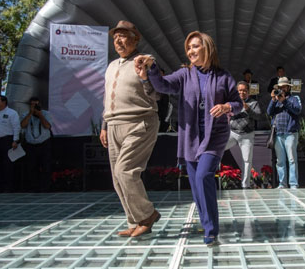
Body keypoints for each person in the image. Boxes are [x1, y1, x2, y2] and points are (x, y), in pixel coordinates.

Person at [136, 31, 242, 246]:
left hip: (215, 135)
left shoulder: (223, 76)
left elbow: (238, 102)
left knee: (203, 176)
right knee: (195, 185)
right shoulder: (185, 75)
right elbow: (163, 85)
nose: (190, 51)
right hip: (191, 137)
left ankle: (211, 230)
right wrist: (151, 68)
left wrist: (226, 106)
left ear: (207, 48)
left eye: (195, 46)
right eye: (189, 48)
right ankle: (206, 223)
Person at [100, 20, 161, 238]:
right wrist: (104, 126)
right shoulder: (111, 66)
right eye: (115, 36)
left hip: (139, 122)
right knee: (117, 179)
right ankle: (135, 221)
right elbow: (107, 98)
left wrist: (148, 71)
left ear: (135, 39)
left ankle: (147, 214)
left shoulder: (144, 61)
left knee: (125, 171)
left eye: (123, 35)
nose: (118, 39)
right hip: (113, 124)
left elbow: (157, 94)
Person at [224, 81, 262, 189]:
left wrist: (248, 109)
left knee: (247, 160)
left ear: (248, 92)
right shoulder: (232, 102)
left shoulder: (253, 103)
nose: (242, 92)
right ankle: (212, 179)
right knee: (217, 150)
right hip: (232, 133)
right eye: (240, 90)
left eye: (244, 90)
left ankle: (245, 185)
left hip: (247, 135)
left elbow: (259, 116)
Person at [267, 76, 302, 189]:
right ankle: (282, 183)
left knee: (292, 159)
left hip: (290, 132)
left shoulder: (294, 98)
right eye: (280, 87)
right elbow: (269, 112)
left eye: (284, 87)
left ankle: (293, 183)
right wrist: (273, 100)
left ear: (288, 87)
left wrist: (284, 101)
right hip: (278, 133)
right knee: (280, 160)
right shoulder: (276, 100)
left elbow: (297, 110)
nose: (282, 89)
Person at [0, 95, 21, 192]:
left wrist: (15, 140)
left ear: (4, 102)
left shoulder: (12, 113)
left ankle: (8, 186)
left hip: (7, 141)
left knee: (8, 164)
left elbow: (16, 127)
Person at [20, 97, 53, 192]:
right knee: (31, 167)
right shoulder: (25, 115)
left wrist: (40, 115)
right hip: (30, 144)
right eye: (32, 105)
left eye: (36, 104)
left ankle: (45, 188)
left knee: (45, 166)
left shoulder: (46, 114)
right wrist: (31, 113)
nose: (34, 106)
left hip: (44, 143)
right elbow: (23, 125)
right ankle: (33, 187)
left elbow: (47, 126)